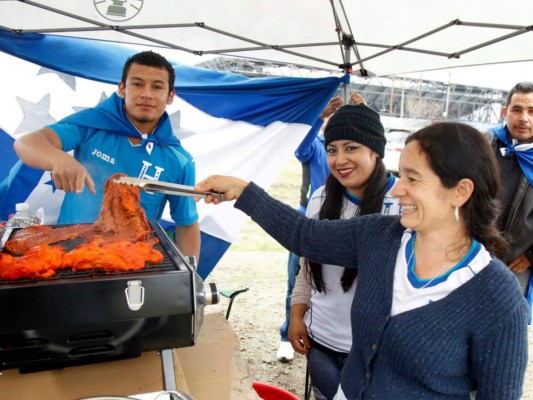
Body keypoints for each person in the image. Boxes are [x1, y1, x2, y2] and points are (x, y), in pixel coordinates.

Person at [195, 122, 528, 399]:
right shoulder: (381, 236)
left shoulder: (496, 297)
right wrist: (244, 191)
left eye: (413, 179)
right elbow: (304, 235)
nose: (398, 191)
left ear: (460, 191)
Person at [13, 51, 200, 259]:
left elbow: (187, 223)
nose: (146, 93)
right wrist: (60, 159)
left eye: (157, 87)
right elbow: (27, 143)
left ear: (170, 96)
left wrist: (192, 280)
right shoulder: (92, 126)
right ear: (122, 88)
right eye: (137, 84)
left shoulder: (179, 160)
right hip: (70, 254)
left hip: (131, 259)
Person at [288, 103, 401, 399]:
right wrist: (297, 313)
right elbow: (306, 266)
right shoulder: (320, 197)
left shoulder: (403, 201)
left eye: (351, 148)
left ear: (376, 151)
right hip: (322, 344)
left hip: (376, 353)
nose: (339, 160)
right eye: (332, 150)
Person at [277, 95, 343, 363]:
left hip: (341, 226)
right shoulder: (315, 147)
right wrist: (318, 116)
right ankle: (285, 335)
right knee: (297, 281)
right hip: (308, 224)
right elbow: (299, 145)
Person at [488, 82, 533, 305]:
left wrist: (531, 256)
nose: (524, 118)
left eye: (532, 111)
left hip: (517, 262)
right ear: (505, 112)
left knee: (508, 324)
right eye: (517, 109)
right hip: (474, 252)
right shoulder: (486, 145)